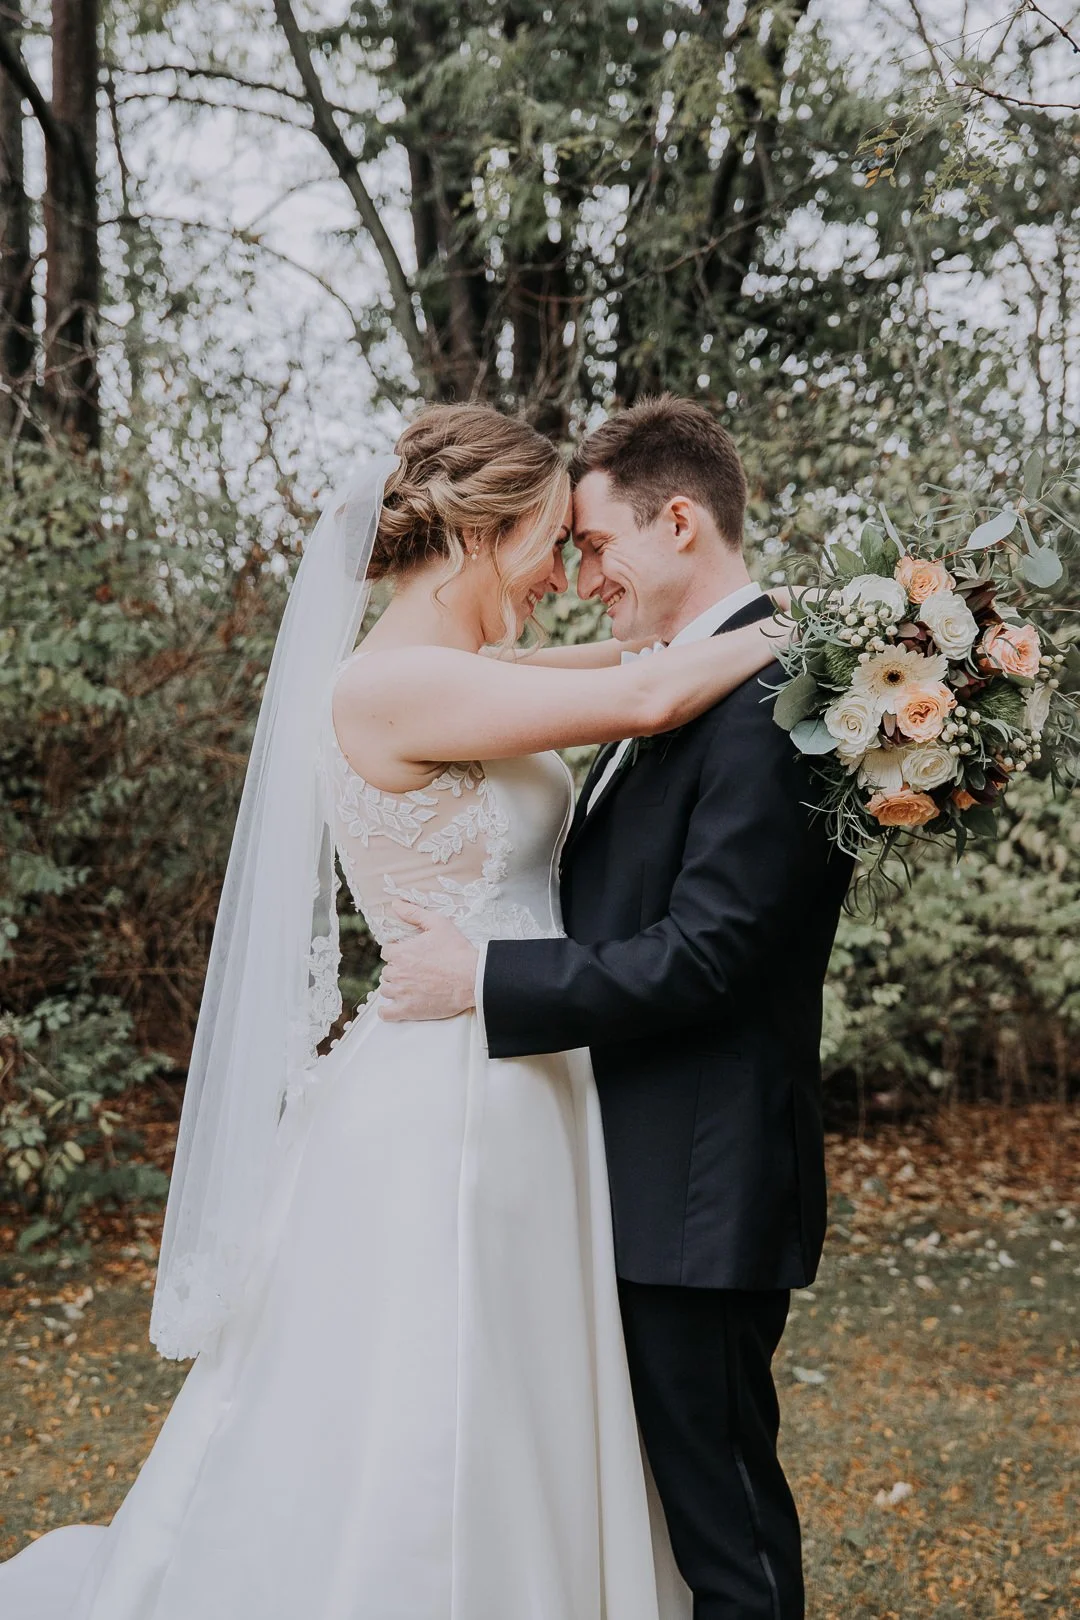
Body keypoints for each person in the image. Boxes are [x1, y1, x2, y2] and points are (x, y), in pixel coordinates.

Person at [0, 402, 787, 1620]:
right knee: (443, 1399)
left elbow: (635, 667)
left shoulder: (465, 672)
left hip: (533, 1069)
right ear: (478, 534)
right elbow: (648, 702)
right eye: (547, 541)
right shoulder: (390, 684)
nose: (563, 576)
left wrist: (759, 629)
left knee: (534, 1392)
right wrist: (810, 634)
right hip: (452, 1092)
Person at [377, 395, 855, 1620]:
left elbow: (706, 957)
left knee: (724, 1535)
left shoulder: (777, 708)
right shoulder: (690, 685)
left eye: (594, 544)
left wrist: (486, 980)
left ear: (679, 521)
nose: (581, 573)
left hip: (696, 1190)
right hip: (616, 1173)